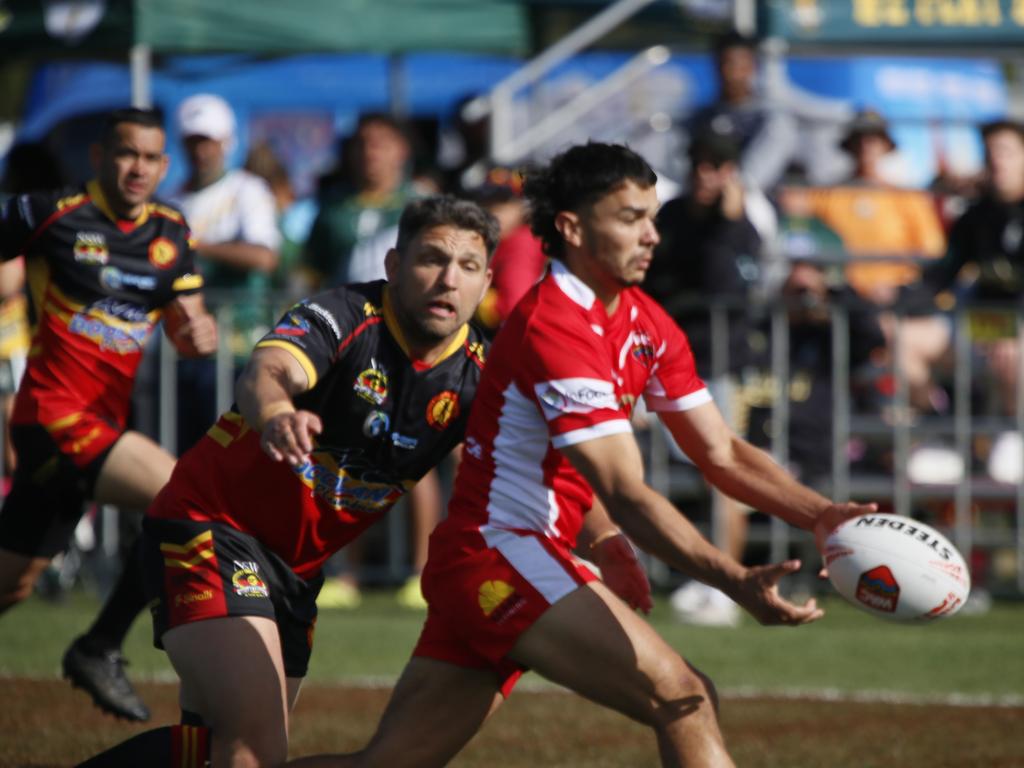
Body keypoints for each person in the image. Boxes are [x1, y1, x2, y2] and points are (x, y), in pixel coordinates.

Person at [287, 143, 874, 768]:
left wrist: (821, 515)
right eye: (629, 218)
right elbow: (624, 490)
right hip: (500, 554)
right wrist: (732, 580)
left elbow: (721, 450)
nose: (651, 235)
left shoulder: (644, 320)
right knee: (686, 697)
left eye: (652, 217)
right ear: (570, 226)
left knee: (389, 764)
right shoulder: (555, 326)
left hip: (504, 555)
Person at [76, 194, 652, 767]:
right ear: (395, 265)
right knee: (254, 749)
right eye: (431, 260)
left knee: (222, 753)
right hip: (210, 528)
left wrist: (605, 541)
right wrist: (277, 412)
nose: (448, 280)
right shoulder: (345, 317)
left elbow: (545, 476)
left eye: (468, 267)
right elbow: (268, 372)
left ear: (487, 284)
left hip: (296, 572)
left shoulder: (483, 374)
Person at [0, 108, 217, 721]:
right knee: (184, 498)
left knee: (12, 583)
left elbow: (185, 323)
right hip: (51, 416)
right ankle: (99, 648)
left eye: (150, 158)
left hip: (101, 428)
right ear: (100, 157)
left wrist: (196, 334)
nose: (137, 168)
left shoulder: (172, 231)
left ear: (164, 165)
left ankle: (98, 646)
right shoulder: (53, 212)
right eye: (126, 154)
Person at [781, 109, 950, 419]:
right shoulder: (828, 195)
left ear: (886, 147)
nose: (867, 149)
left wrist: (894, 290)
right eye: (861, 141)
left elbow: (931, 255)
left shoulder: (908, 197)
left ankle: (928, 415)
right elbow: (806, 237)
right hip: (844, 304)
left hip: (898, 306)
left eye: (874, 141)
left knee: (896, 348)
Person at [901, 119, 1024, 483]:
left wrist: (1008, 330)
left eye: (1006, 152)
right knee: (902, 338)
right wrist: (896, 299)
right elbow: (944, 274)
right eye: (990, 153)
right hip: (980, 326)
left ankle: (1012, 431)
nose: (997, 161)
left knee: (1011, 349)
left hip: (1014, 333)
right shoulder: (976, 215)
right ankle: (943, 433)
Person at [172, 93, 281, 449]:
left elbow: (264, 257)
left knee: (230, 452)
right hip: (183, 350)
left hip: (238, 349)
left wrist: (195, 248)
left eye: (208, 141)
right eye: (192, 141)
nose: (200, 151)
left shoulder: (247, 190)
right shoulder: (172, 200)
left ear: (226, 143)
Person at [686, 31, 800, 192]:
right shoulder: (701, 118)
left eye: (739, 65)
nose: (731, 73)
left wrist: (721, 188)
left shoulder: (772, 118)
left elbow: (753, 180)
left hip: (757, 205)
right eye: (725, 63)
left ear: (752, 67)